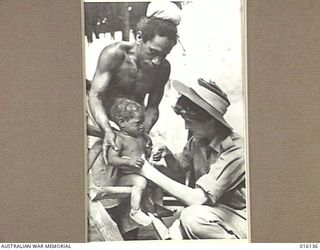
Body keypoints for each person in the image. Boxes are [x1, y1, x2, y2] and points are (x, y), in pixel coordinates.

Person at [141, 78, 247, 239]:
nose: (186, 127)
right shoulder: (198, 141)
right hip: (215, 211)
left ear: (211, 120)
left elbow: (197, 198)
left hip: (240, 217)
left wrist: (148, 172)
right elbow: (179, 169)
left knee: (192, 217)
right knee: (176, 232)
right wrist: (168, 154)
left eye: (189, 121)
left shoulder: (236, 150)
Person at [87, 4, 180, 163]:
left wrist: (143, 131)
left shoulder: (163, 68)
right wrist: (107, 130)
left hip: (132, 129)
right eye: (153, 52)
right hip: (100, 123)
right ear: (139, 38)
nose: (157, 61)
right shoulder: (114, 54)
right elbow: (96, 96)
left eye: (164, 55)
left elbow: (152, 106)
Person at [107, 98, 152, 226]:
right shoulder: (119, 139)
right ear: (122, 122)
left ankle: (158, 206)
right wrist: (129, 162)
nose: (142, 126)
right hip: (125, 178)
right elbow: (112, 159)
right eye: (138, 123)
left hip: (142, 173)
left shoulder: (141, 136)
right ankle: (135, 211)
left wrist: (150, 149)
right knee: (140, 181)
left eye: (142, 122)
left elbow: (145, 154)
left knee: (158, 182)